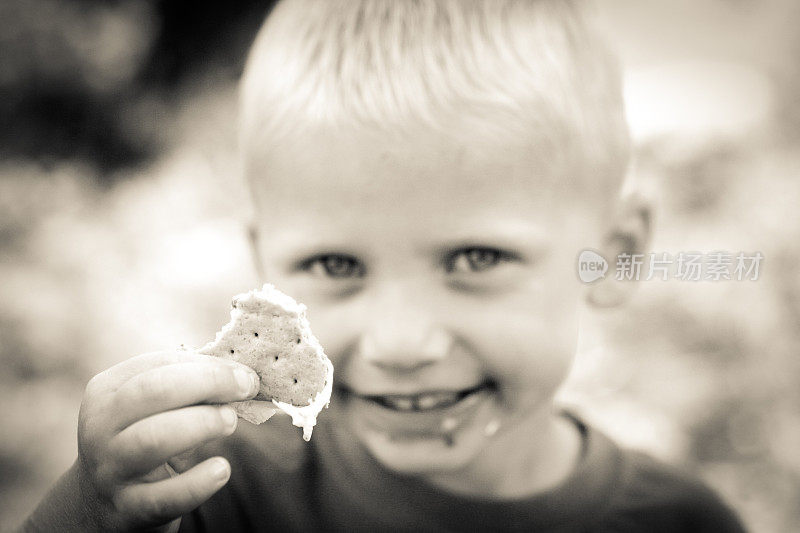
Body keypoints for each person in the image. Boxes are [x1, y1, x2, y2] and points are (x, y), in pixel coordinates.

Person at [22, 1, 746, 531]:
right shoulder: (209, 494)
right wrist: (88, 511)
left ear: (612, 257)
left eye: (476, 257)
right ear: (265, 266)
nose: (400, 345)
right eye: (335, 262)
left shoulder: (683, 519)